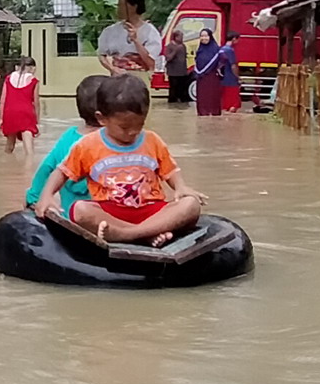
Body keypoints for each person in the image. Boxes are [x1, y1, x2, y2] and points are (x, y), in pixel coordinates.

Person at [34, 74, 206, 246]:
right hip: (111, 213)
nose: (132, 132)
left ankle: (129, 234)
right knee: (79, 210)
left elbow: (170, 171)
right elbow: (61, 172)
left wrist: (180, 187)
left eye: (140, 125)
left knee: (190, 205)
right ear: (102, 119)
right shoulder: (87, 145)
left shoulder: (152, 140)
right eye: (124, 127)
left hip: (150, 210)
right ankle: (147, 233)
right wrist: (46, 196)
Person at [23, 74, 110, 210]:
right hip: (104, 218)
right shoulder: (114, 143)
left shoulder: (69, 137)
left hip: (69, 215)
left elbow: (46, 168)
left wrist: (33, 198)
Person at [97, 0, 164, 77]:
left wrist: (136, 41)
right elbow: (102, 54)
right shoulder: (110, 31)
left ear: (134, 7)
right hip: (117, 79)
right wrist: (112, 68)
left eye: (121, 5)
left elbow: (151, 64)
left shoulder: (150, 32)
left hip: (140, 79)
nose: (118, 9)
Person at [0, 58, 41, 155]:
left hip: (10, 113)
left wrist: (2, 118)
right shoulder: (34, 80)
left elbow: (3, 100)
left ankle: (7, 167)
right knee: (29, 151)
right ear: (32, 68)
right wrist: (37, 121)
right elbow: (36, 102)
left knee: (9, 147)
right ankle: (29, 169)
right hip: (26, 114)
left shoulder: (8, 78)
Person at [192, 27, 237, 118]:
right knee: (202, 97)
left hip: (212, 77)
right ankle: (202, 113)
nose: (204, 38)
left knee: (212, 97)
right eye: (202, 36)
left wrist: (219, 68)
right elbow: (197, 62)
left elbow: (223, 59)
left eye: (206, 36)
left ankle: (213, 113)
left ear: (210, 37)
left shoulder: (216, 49)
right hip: (201, 79)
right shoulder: (199, 50)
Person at [163, 29, 191, 104]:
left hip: (182, 72)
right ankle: (172, 102)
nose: (182, 38)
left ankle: (182, 102)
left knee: (182, 89)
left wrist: (186, 70)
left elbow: (184, 58)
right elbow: (168, 58)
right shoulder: (170, 46)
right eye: (180, 37)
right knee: (173, 89)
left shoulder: (183, 46)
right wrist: (175, 50)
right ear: (175, 37)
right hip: (173, 72)